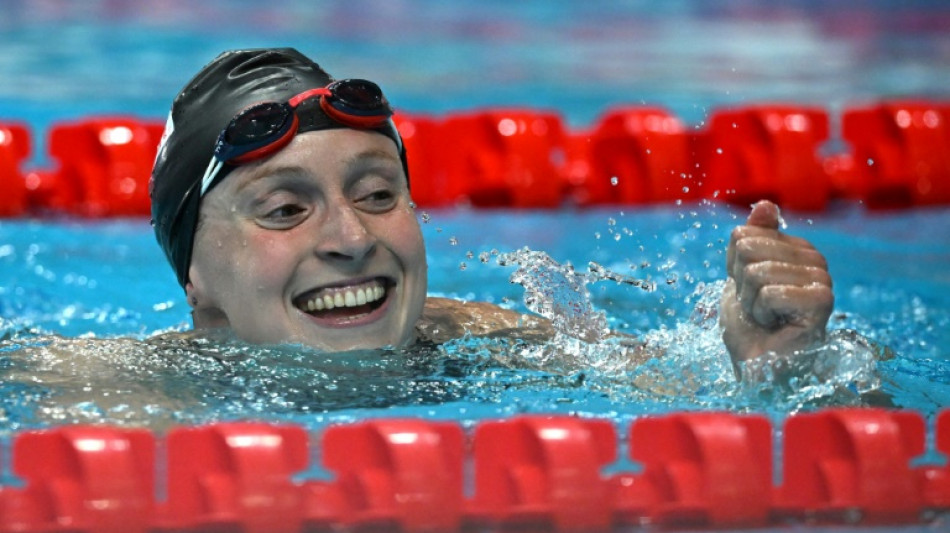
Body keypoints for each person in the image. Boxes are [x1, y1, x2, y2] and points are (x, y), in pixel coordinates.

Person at [150, 47, 834, 372]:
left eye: (378, 195)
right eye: (284, 209)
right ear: (195, 277)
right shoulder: (128, 393)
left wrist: (777, 365)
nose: (352, 238)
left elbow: (685, 398)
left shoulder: (489, 346)